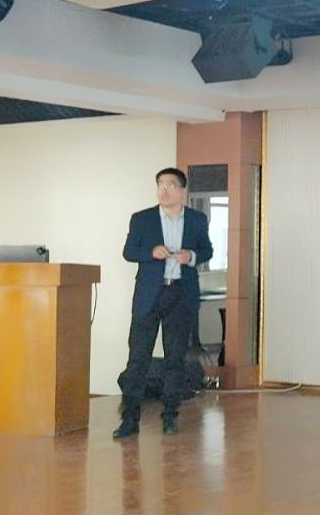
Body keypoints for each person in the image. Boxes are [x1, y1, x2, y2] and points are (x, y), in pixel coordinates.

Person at [113, 168, 213, 439]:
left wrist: (191, 256)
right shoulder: (142, 219)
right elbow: (128, 252)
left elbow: (207, 250)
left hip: (180, 294)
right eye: (160, 185)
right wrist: (151, 252)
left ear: (182, 191)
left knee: (175, 358)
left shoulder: (197, 220)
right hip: (149, 295)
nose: (164, 190)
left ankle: (170, 415)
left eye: (170, 185)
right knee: (138, 357)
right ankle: (130, 418)